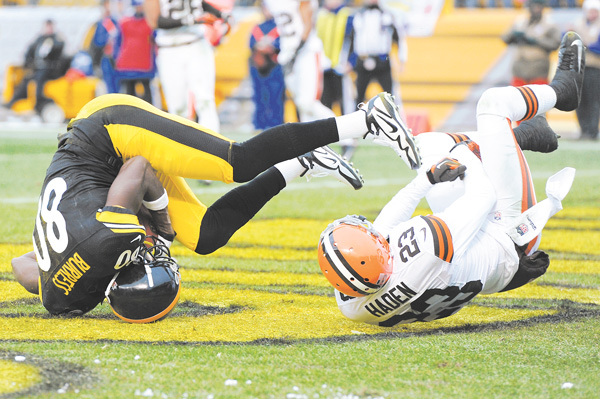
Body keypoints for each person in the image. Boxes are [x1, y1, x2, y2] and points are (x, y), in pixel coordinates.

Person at [10, 88, 423, 322]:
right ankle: (300, 165)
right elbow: (24, 267)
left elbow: (137, 168)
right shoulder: (60, 298)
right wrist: (58, 255)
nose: (159, 250)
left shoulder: (109, 241)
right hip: (110, 181)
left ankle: (367, 120)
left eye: (154, 255)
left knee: (236, 161)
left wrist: (159, 220)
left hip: (107, 131)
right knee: (205, 237)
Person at [317, 32, 583, 326]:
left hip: (481, 260)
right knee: (492, 105)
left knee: (425, 147)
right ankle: (562, 92)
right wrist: (466, 151)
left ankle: (520, 137)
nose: (374, 233)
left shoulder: (353, 305)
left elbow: (384, 231)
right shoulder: (428, 244)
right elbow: (483, 197)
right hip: (512, 237)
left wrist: (426, 180)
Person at [143, 0, 231, 132]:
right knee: (177, 107)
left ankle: (214, 148)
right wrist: (191, 20)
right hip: (170, 48)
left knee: (205, 100)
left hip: (197, 43)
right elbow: (154, 21)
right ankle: (182, 149)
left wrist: (221, 14)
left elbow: (198, 4)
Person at [263, 0, 335, 122]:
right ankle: (310, 139)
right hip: (287, 53)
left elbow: (307, 26)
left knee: (307, 102)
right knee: (301, 105)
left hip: (306, 51)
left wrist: (295, 52)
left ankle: (345, 133)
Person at [316, 0, 358, 159]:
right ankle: (324, 143)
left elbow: (355, 41)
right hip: (323, 69)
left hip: (341, 70)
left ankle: (348, 143)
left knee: (345, 107)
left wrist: (351, 62)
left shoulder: (348, 16)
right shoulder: (320, 15)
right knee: (323, 105)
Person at [350, 0, 408, 112]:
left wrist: (402, 59)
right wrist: (350, 61)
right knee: (358, 99)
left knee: (390, 98)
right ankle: (357, 127)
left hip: (382, 61)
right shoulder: (358, 16)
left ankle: (396, 125)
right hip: (363, 60)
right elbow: (351, 40)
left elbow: (399, 38)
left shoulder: (388, 16)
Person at [3, 19, 66, 115]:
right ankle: (14, 100)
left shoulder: (56, 39)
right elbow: (30, 50)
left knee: (39, 78)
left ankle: (38, 100)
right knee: (26, 79)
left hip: (50, 68)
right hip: (38, 67)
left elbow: (58, 50)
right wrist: (28, 62)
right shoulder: (40, 38)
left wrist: (53, 40)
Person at [501, 0, 561, 88]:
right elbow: (505, 38)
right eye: (533, 6)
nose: (536, 9)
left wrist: (536, 41)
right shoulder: (520, 22)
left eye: (538, 6)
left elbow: (555, 44)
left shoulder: (549, 24)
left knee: (538, 99)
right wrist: (513, 35)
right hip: (520, 69)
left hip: (538, 69)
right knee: (518, 98)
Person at [249, 4, 285, 131]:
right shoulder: (258, 28)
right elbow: (252, 45)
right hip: (259, 70)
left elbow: (281, 45)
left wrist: (269, 47)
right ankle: (259, 125)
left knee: (276, 99)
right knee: (259, 98)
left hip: (274, 68)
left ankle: (277, 125)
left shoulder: (281, 27)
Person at [114, 0, 156, 104]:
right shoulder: (125, 23)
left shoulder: (150, 23)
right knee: (129, 94)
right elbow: (118, 43)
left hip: (144, 63)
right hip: (128, 64)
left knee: (146, 93)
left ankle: (149, 116)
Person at [571, 0, 600, 140]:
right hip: (579, 67)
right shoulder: (578, 23)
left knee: (593, 100)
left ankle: (592, 130)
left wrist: (586, 45)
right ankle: (583, 129)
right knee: (579, 100)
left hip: (595, 67)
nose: (592, 14)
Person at [89, 0, 121, 94]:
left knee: (117, 85)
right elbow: (98, 42)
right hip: (106, 58)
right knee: (109, 86)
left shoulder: (116, 21)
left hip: (116, 58)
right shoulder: (102, 23)